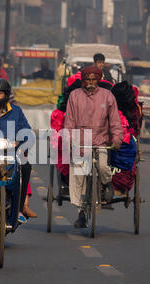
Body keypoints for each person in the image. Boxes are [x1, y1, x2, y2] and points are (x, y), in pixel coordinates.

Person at [64, 66, 123, 228]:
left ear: (98, 80)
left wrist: (117, 139)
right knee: (78, 178)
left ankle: (107, 184)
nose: (90, 83)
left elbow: (115, 122)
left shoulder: (107, 96)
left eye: (93, 80)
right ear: (83, 80)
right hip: (80, 144)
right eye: (87, 80)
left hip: (100, 143)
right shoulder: (75, 96)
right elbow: (69, 122)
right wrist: (69, 141)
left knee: (103, 167)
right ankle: (81, 213)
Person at [0, 78, 37, 224]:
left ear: (6, 95)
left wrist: (21, 143)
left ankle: (19, 208)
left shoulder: (16, 112)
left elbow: (27, 132)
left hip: (9, 155)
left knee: (26, 167)